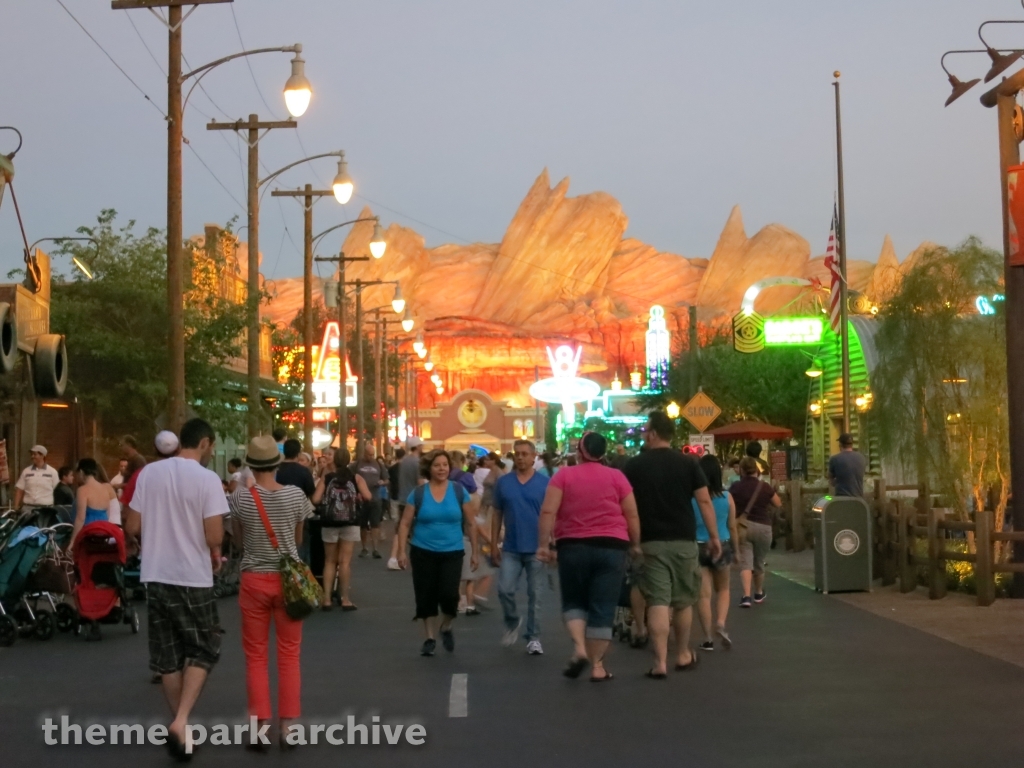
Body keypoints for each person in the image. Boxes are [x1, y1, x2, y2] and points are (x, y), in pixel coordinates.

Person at [123, 419, 228, 759]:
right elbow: (214, 537)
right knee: (205, 646)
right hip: (192, 575)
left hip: (155, 573)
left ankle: (181, 731)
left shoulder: (149, 474)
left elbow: (133, 525)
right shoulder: (208, 479)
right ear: (205, 443)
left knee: (167, 657)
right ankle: (182, 720)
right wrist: (211, 548)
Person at [228, 435, 314, 748]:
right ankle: (288, 727)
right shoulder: (295, 496)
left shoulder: (240, 498)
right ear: (277, 463)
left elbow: (238, 542)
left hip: (253, 579)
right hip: (288, 582)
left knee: (255, 656)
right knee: (290, 655)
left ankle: (260, 728)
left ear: (250, 465)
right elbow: (299, 538)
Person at [623, 411, 721, 678]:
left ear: (653, 433)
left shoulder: (633, 466)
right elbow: (703, 502)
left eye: (646, 430)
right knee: (682, 601)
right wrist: (714, 536)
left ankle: (660, 662)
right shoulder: (688, 464)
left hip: (649, 542)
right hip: (683, 540)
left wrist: (631, 540)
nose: (644, 434)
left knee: (657, 601)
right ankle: (682, 654)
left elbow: (626, 507)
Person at [537, 432, 641, 682]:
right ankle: (598, 666)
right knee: (603, 606)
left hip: (572, 546)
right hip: (612, 546)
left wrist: (544, 545)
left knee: (574, 601)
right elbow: (632, 514)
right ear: (603, 452)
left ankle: (580, 649)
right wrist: (635, 544)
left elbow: (548, 510)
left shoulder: (563, 476)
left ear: (580, 451)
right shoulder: (617, 477)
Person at [396, 450, 478, 656]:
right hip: (423, 551)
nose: (442, 469)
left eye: (445, 465)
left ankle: (446, 625)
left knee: (450, 596)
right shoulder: (419, 493)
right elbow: (405, 523)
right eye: (437, 465)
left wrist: (475, 551)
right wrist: (400, 552)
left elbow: (471, 522)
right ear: (429, 469)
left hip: (453, 551)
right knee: (426, 595)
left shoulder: (459, 491)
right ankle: (430, 638)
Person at [490, 439, 549, 653]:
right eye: (518, 454)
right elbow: (496, 514)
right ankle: (512, 620)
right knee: (504, 589)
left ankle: (534, 637)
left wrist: (552, 543)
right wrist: (494, 543)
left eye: (525, 454)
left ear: (534, 457)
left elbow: (551, 514)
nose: (521, 457)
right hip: (511, 547)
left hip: (537, 548)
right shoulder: (504, 483)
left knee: (536, 594)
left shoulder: (544, 484)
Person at [312, 450, 372, 610]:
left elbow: (315, 499)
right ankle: (345, 599)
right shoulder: (356, 478)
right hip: (350, 522)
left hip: (330, 522)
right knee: (345, 562)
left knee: (329, 561)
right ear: (349, 460)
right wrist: (356, 497)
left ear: (334, 461)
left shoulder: (327, 478)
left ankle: (326, 599)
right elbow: (368, 496)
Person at [692, 454, 738, 651]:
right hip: (723, 543)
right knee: (724, 589)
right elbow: (733, 526)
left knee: (703, 595)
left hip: (698, 545)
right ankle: (720, 622)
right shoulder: (727, 497)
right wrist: (736, 550)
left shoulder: (692, 497)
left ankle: (708, 638)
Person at [729, 456, 781, 607]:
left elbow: (729, 504)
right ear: (756, 471)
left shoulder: (736, 487)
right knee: (759, 562)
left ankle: (746, 596)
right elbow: (778, 503)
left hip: (744, 526)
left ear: (742, 471)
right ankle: (758, 592)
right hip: (763, 527)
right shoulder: (764, 486)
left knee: (746, 562)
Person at [388, 437, 423, 570]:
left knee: (400, 529)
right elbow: (420, 483)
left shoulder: (404, 462)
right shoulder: (418, 462)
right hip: (415, 499)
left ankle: (393, 557)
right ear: (418, 447)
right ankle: (417, 558)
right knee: (418, 529)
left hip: (403, 499)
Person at [69, 458, 118, 550]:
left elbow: (80, 518)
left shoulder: (82, 490)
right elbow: (107, 513)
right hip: (104, 531)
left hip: (89, 532)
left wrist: (72, 541)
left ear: (81, 472)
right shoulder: (105, 488)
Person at [351, 442, 387, 559]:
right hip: (361, 499)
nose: (370, 457)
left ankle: (375, 549)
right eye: (369, 455)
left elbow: (387, 479)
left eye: (372, 455)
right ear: (364, 453)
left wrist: (382, 482)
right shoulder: (357, 464)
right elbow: (350, 478)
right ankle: (364, 548)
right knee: (363, 525)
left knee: (375, 524)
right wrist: (356, 492)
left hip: (375, 498)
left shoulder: (378, 464)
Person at [14, 445, 60, 512]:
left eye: (35, 454)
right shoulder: (26, 471)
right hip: (28, 508)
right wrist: (16, 507)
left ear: (42, 455)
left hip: (45, 509)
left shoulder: (52, 472)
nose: (32, 456)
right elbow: (19, 490)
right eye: (32, 454)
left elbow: (57, 490)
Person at [829, 433, 867, 497]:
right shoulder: (862, 458)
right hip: (858, 499)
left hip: (841, 498)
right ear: (852, 444)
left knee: (825, 501)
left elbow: (831, 480)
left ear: (840, 444)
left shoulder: (834, 459)